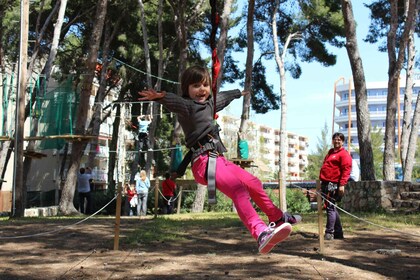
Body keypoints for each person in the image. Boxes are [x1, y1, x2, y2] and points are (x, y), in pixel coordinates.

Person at [139, 65, 301, 254]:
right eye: (196, 86)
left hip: (219, 159)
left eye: (205, 85)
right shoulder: (187, 106)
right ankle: (260, 233)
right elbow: (175, 102)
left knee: (253, 182)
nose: (202, 90)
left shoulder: (210, 104)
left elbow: (223, 97)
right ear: (187, 89)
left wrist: (238, 92)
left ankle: (277, 217)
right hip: (203, 162)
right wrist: (161, 97)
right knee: (238, 190)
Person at [319, 132, 352, 240]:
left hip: (334, 183)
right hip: (325, 182)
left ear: (342, 141)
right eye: (335, 139)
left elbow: (346, 170)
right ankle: (338, 232)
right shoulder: (330, 152)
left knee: (330, 207)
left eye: (339, 139)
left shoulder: (344, 154)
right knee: (332, 207)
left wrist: (342, 185)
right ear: (332, 140)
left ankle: (329, 232)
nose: (337, 141)